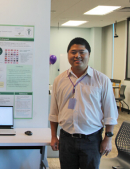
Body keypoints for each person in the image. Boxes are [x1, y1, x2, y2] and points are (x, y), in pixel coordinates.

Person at [49, 37, 118, 169]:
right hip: (66, 138)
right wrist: (53, 136)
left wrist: (108, 139)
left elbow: (110, 113)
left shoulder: (102, 80)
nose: (77, 56)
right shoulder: (59, 80)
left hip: (92, 139)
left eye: (82, 52)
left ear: (89, 54)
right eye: (73, 52)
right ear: (68, 54)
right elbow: (54, 112)